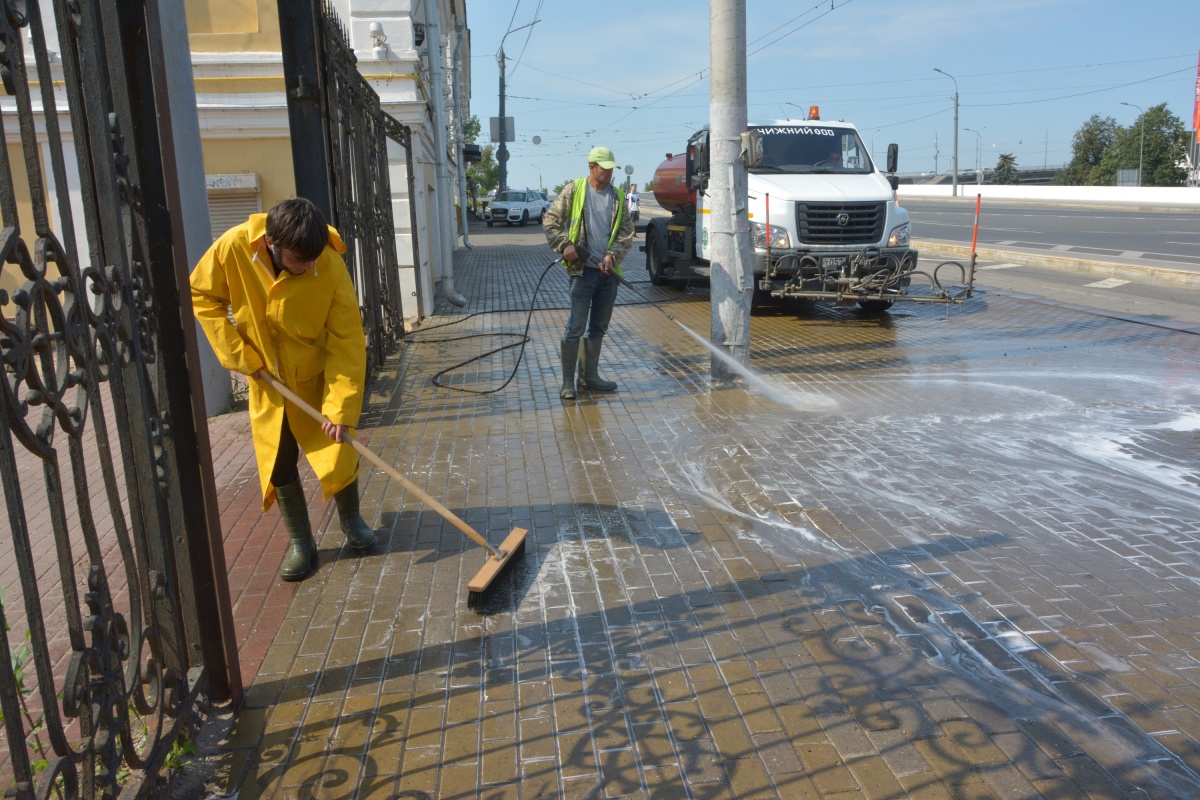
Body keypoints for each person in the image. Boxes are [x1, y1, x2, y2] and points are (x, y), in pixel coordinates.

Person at [190, 198, 375, 582]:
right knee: (280, 460)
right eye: (297, 260)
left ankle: (352, 521)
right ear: (271, 244)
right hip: (266, 381)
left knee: (338, 445)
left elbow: (347, 339)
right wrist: (240, 355)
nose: (307, 267)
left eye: (311, 260)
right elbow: (202, 295)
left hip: (314, 376)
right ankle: (301, 544)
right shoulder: (234, 248)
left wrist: (339, 408)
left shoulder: (329, 261)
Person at [543, 146, 636, 401]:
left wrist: (612, 256)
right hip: (582, 272)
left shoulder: (617, 196)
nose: (608, 173)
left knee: (598, 327)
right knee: (576, 326)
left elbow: (626, 233)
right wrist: (565, 245)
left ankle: (588, 377)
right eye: (604, 168)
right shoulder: (574, 190)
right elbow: (550, 220)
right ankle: (567, 383)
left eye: (611, 169)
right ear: (591, 167)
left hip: (608, 274)